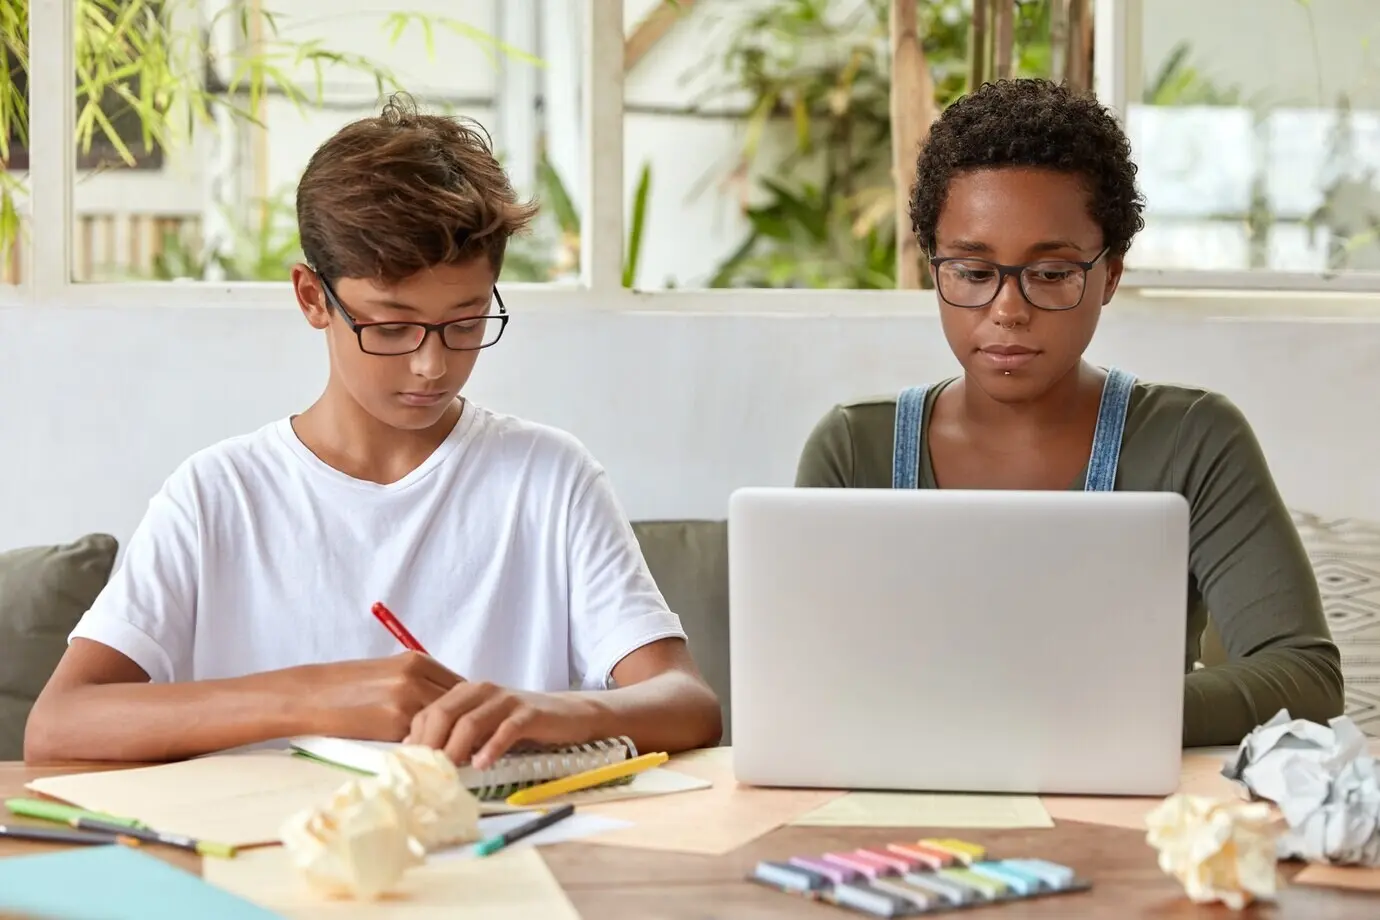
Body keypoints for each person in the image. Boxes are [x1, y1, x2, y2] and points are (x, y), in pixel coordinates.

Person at [25, 95, 722, 766]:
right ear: (311, 297)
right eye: (390, 326)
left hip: (497, 858)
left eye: (466, 322)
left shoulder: (548, 477)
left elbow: (687, 703)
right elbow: (59, 725)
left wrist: (553, 713)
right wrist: (310, 695)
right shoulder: (220, 494)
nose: (432, 363)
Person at [794, 79, 1343, 747]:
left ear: (1109, 275)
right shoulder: (855, 449)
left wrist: (1071, 715)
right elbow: (803, 684)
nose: (1007, 309)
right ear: (933, 266)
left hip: (1120, 808)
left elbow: (1305, 679)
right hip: (897, 808)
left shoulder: (1194, 440)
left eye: (1051, 273)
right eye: (971, 270)